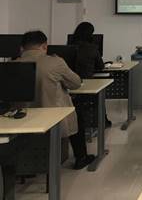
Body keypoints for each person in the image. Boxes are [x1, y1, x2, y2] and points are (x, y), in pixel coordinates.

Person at [18, 31, 95, 170]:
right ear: (44, 46)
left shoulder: (11, 65)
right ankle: (81, 157)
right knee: (76, 113)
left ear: (22, 48)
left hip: (22, 120)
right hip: (54, 117)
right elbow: (76, 83)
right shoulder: (55, 62)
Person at [71, 21, 112, 127]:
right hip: (88, 85)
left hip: (70, 85)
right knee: (99, 94)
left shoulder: (69, 47)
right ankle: (103, 121)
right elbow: (101, 66)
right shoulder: (92, 48)